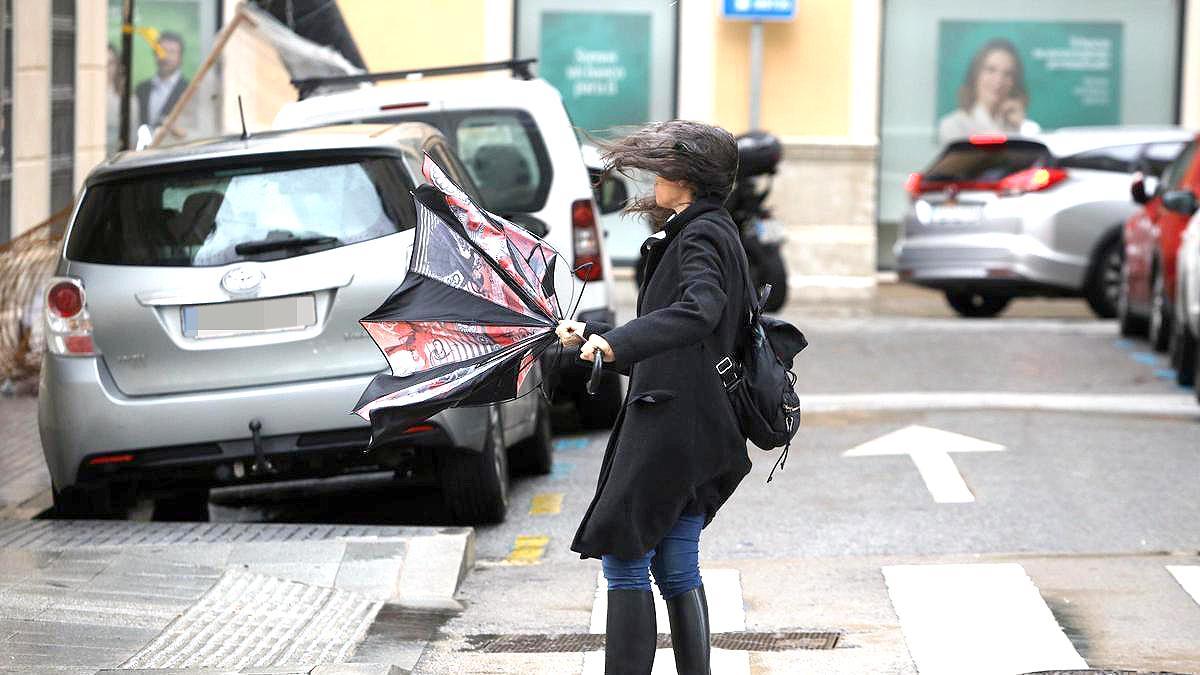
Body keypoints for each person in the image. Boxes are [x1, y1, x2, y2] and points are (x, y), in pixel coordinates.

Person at [555, 120, 751, 675]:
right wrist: (596, 344)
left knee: (624, 556)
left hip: (672, 422)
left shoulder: (700, 235)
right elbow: (693, 335)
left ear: (685, 178)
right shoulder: (714, 229)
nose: (656, 177)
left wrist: (616, 345)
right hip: (703, 421)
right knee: (676, 564)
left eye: (664, 167)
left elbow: (700, 311)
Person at [938, 38, 1041, 144]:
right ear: (976, 74)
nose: (999, 81)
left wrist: (1021, 124)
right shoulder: (953, 125)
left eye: (1008, 74)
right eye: (991, 70)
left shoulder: (1021, 125)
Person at [134, 31, 188, 132]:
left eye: (172, 52)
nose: (166, 57)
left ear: (180, 57)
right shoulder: (141, 89)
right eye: (161, 51)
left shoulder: (189, 90)